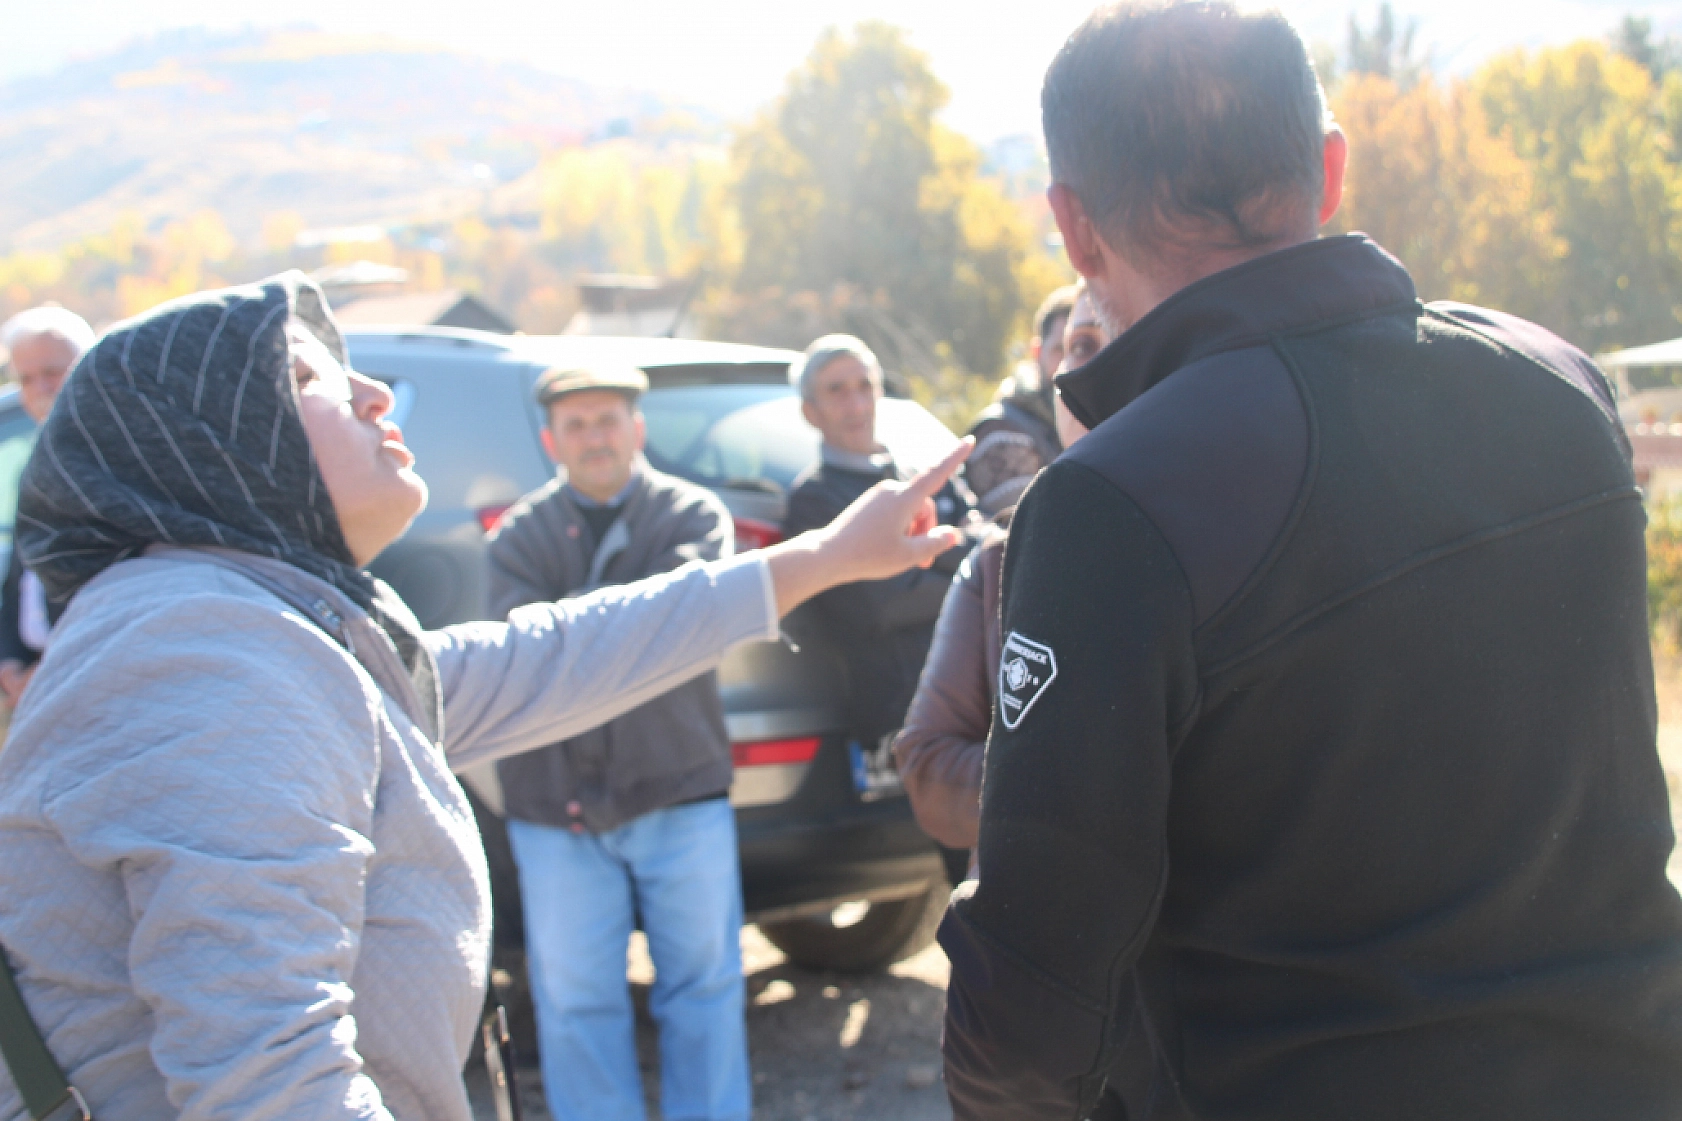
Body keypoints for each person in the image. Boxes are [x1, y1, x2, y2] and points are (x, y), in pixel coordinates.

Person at [940, 4, 1682, 1119]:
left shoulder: (1115, 500)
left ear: (1073, 229)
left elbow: (1031, 996)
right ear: (1330, 170)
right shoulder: (1557, 385)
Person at [0, 273, 969, 1121]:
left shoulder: (263, 628)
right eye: (306, 376)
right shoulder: (209, 652)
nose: (375, 392)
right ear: (213, 449)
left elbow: (546, 654)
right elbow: (267, 1079)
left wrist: (821, 557)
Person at [485, 363, 746, 1121]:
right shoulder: (516, 539)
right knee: (575, 1001)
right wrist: (637, 618)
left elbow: (687, 623)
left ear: (637, 429)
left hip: (679, 789)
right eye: (577, 424)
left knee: (705, 987)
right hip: (554, 806)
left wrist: (570, 623)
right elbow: (524, 659)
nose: (594, 438)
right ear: (550, 441)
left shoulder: (694, 516)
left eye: (608, 420)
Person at [893, 286, 1106, 858]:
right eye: (1080, 346)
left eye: (1126, 342)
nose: (1099, 372)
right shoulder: (997, 565)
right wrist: (1089, 778)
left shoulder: (1232, 535)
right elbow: (927, 763)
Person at [783, 334, 977, 752]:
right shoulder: (814, 501)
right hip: (901, 720)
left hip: (972, 699)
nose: (855, 404)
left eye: (865, 386)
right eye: (836, 391)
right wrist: (967, 572)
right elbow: (882, 606)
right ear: (810, 412)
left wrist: (928, 559)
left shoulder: (921, 474)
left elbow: (988, 541)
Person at [0, 306, 93, 707]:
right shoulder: (33, 466)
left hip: (88, 677)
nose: (40, 388)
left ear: (89, 367)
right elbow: (18, 581)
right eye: (26, 379)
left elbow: (113, 583)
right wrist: (10, 663)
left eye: (53, 372)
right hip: (37, 684)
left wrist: (52, 668)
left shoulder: (118, 465)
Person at [962, 285, 1078, 515]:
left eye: (1081, 348)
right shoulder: (1002, 435)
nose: (1070, 363)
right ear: (1038, 352)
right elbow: (1026, 528)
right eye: (1059, 349)